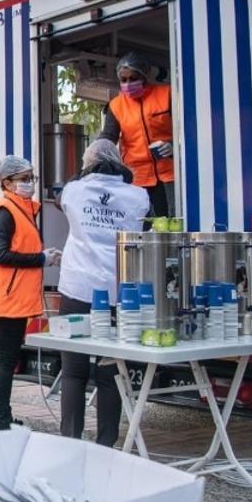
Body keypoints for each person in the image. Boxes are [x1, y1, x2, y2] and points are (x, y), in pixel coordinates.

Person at [56, 140, 149, 446]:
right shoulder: (138, 196)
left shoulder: (74, 191)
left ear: (87, 162)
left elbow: (66, 189)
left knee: (73, 370)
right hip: (116, 291)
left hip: (77, 288)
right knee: (111, 371)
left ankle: (71, 438)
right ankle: (106, 444)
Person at [0, 155, 59, 431]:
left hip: (15, 297)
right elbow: (1, 255)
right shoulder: (5, 212)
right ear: (7, 183)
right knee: (6, 360)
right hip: (8, 298)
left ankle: (3, 415)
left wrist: (43, 257)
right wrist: (41, 259)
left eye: (32, 177)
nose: (30, 183)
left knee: (8, 358)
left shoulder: (22, 209)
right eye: (25, 179)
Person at [99, 52, 176, 217]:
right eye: (123, 80)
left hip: (169, 174)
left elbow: (186, 129)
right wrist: (96, 152)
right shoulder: (116, 106)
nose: (128, 84)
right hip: (137, 177)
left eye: (133, 78)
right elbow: (108, 136)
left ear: (145, 75)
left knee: (172, 220)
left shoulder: (167, 95)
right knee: (142, 224)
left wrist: (173, 145)